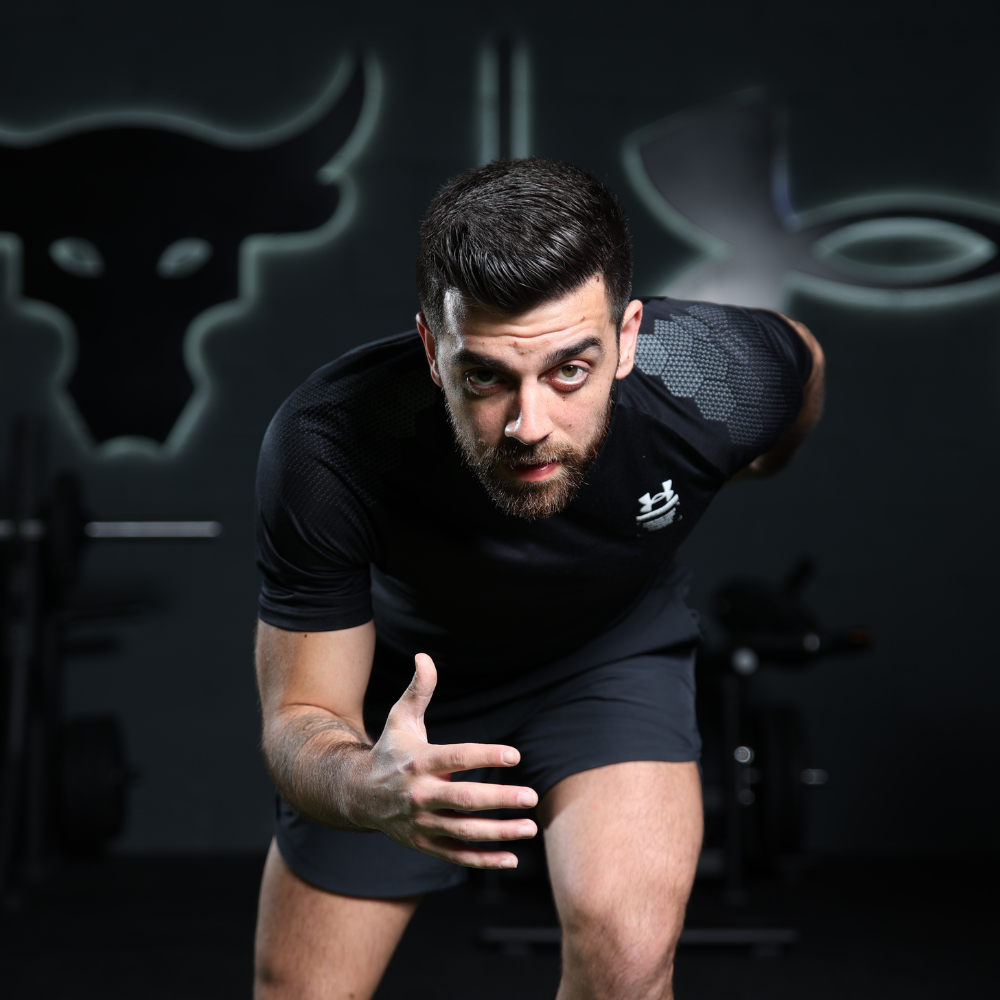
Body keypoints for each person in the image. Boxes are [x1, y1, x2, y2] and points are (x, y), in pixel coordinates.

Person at [252, 157, 824, 999]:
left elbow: (801, 367)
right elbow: (300, 716)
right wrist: (362, 783)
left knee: (628, 959)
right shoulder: (329, 444)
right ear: (432, 348)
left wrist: (741, 462)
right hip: (407, 701)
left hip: (608, 659)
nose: (529, 425)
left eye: (569, 371)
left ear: (629, 337)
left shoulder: (713, 377)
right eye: (485, 375)